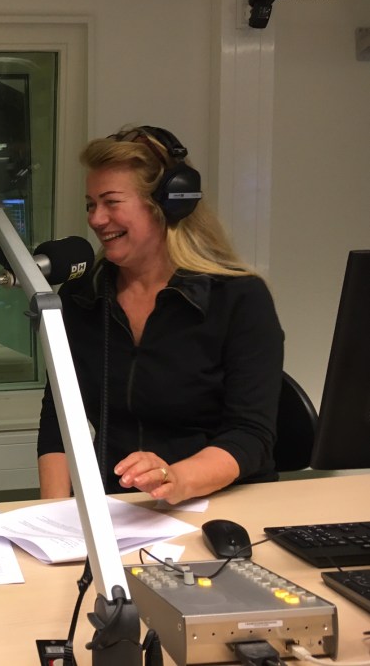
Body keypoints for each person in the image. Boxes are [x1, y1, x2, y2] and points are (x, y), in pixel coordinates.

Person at [37, 125, 284, 504]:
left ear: (166, 204)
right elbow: (60, 416)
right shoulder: (83, 296)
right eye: (90, 204)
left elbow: (251, 434)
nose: (96, 219)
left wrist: (175, 478)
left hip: (222, 502)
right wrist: (53, 514)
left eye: (111, 202)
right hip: (121, 505)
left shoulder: (239, 298)